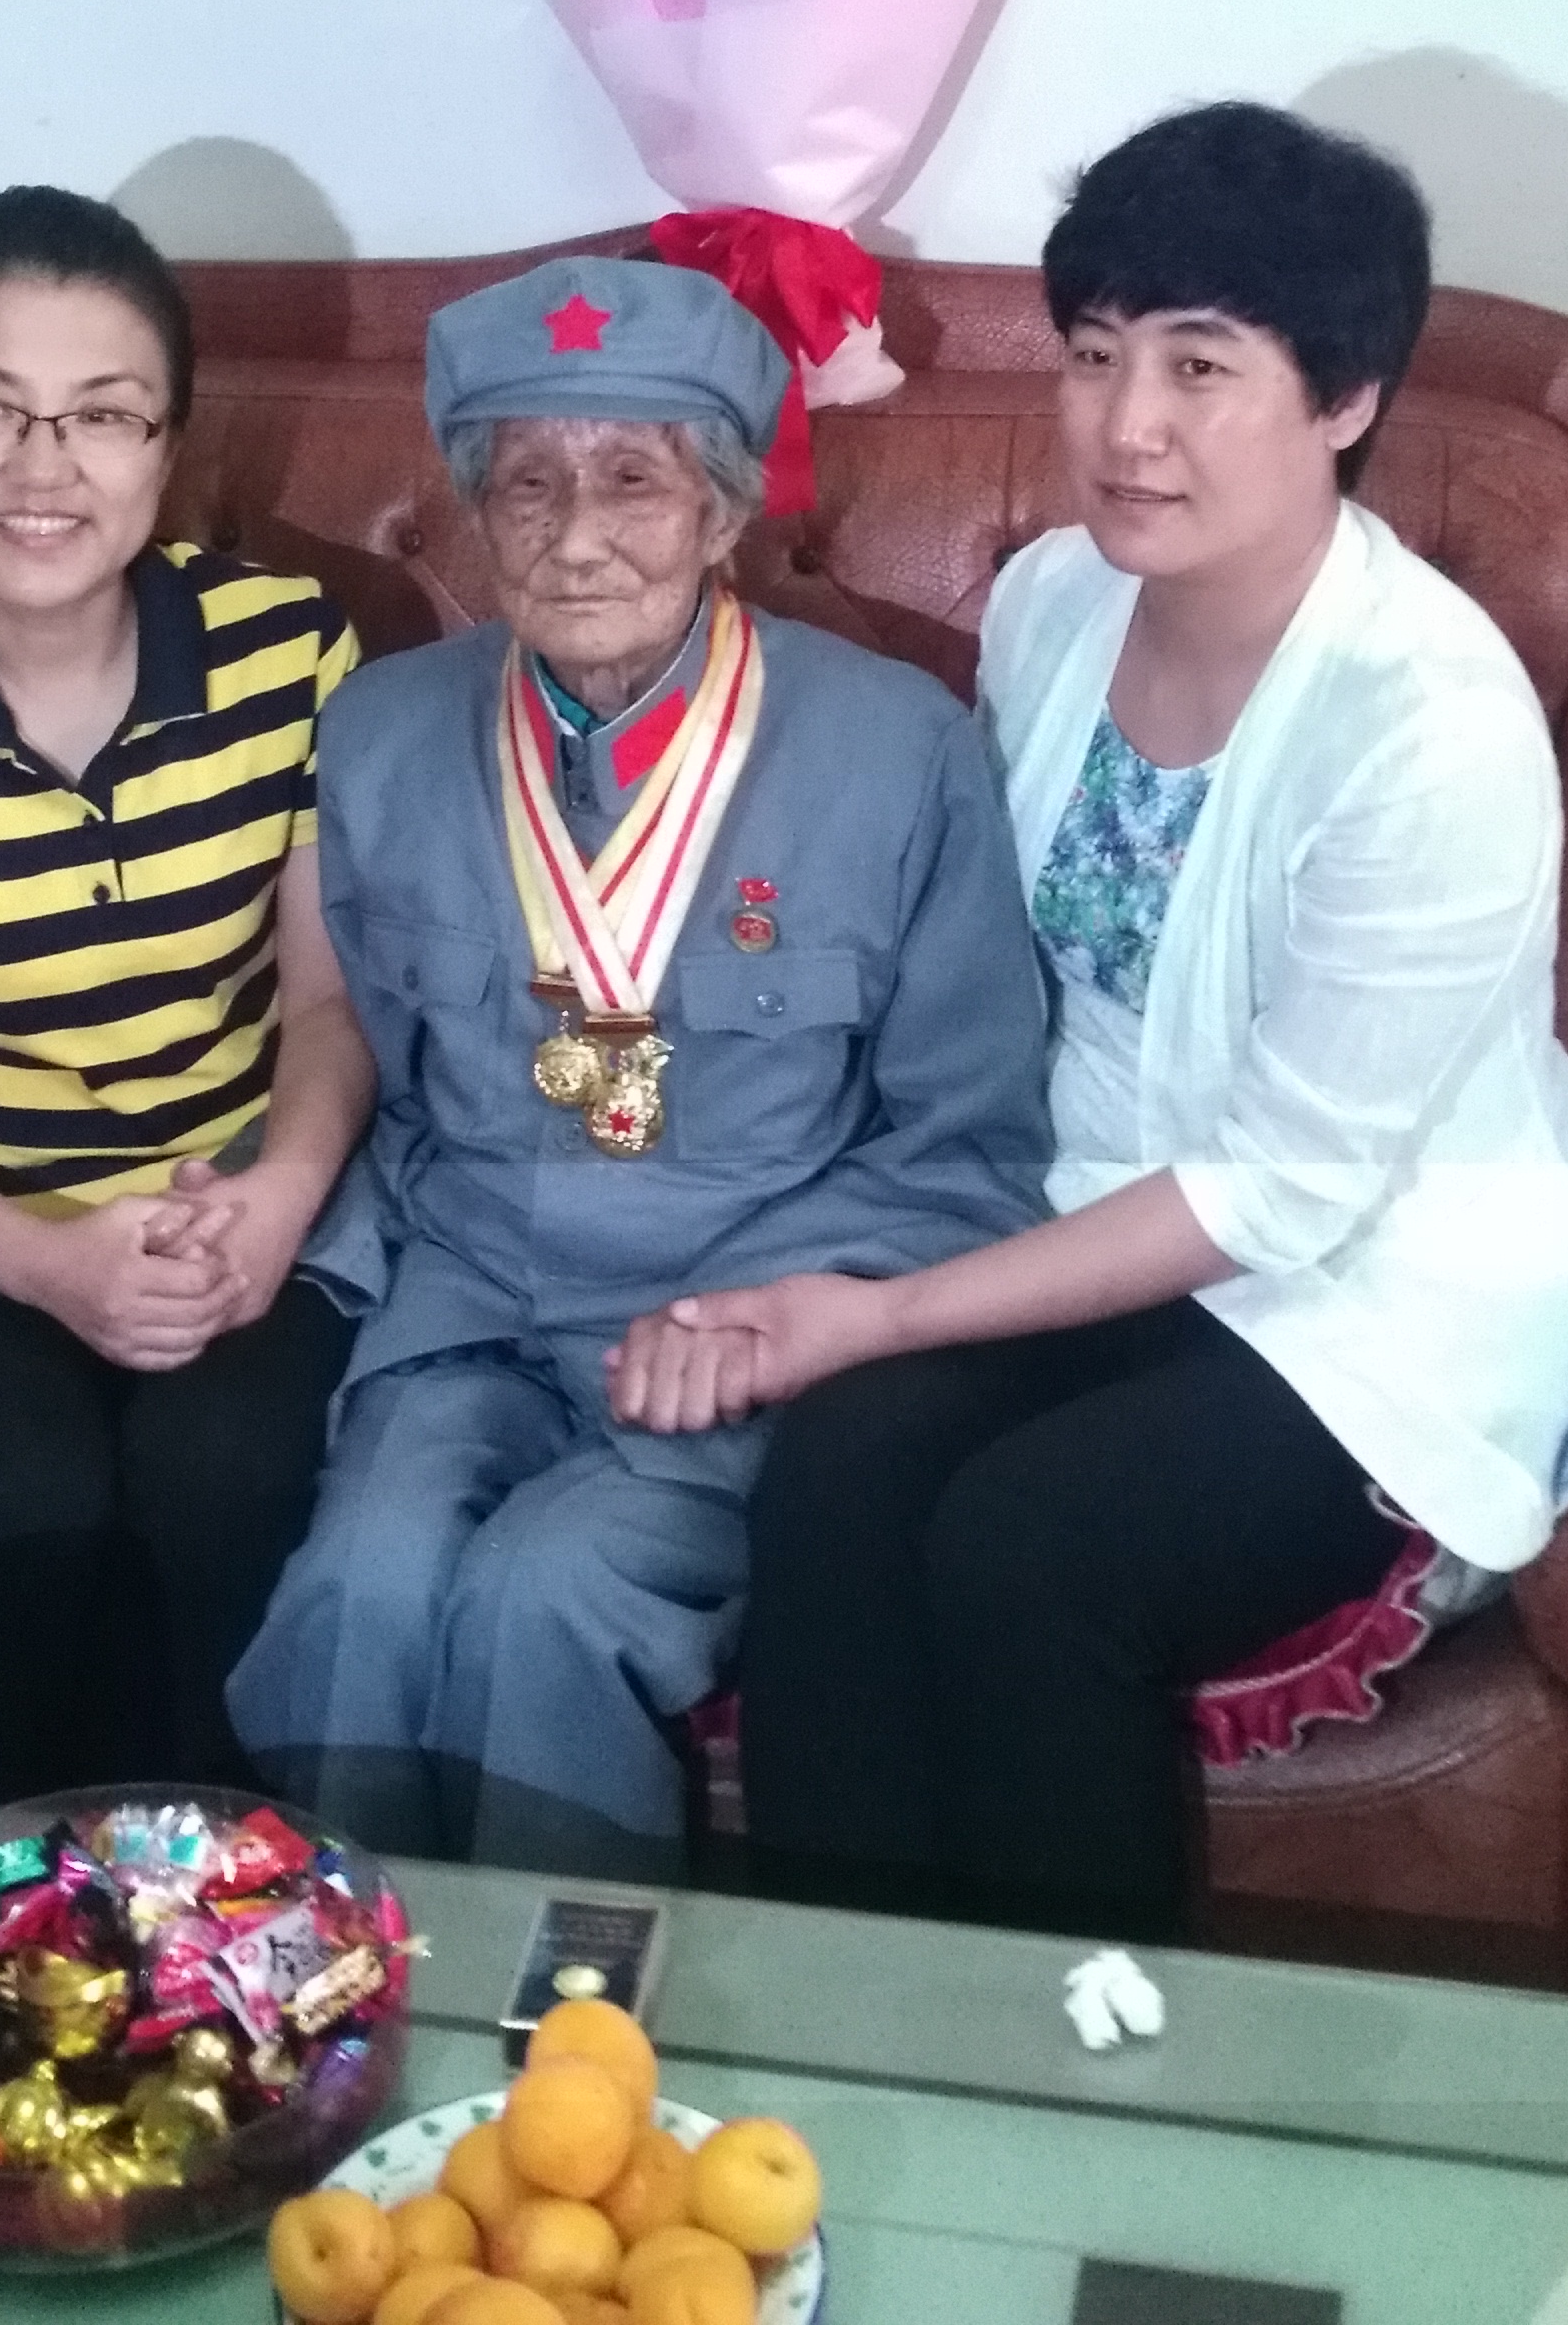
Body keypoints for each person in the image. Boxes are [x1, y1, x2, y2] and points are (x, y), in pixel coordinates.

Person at [623, 103, 1568, 1938]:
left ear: (1345, 398)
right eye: (1095, 357)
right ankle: (837, 2031)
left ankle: (1093, 2066)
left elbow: (1284, 1191)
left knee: (1040, 1548)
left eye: (1201, 366)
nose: (1126, 427)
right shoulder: (1056, 600)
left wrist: (886, 1309)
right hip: (1074, 1197)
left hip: (1359, 1272)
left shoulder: (1425, 727)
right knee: (841, 1470)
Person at [228, 256, 1050, 1879]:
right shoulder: (379, 735)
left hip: (736, 1331)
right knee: (355, 1592)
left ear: (724, 512)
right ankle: (329, 1991)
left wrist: (770, 1318)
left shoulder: (901, 750)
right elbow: (354, 1047)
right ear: (474, 510)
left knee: (546, 1602)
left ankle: (570, 2011)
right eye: (526, 483)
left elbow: (970, 1146)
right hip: (465, 1313)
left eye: (632, 480)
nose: (576, 535)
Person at [0, 188, 369, 1793]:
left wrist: (277, 1199)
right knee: (13, 1508)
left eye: (103, 414)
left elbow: (329, 1004)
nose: (43, 467)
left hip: (237, 1203)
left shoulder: (287, 650)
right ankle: (11, 1901)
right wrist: (47, 1266)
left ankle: (235, 1890)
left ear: (168, 445)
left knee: (229, 1473)